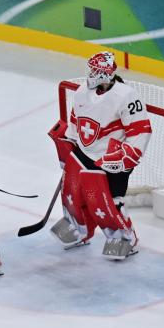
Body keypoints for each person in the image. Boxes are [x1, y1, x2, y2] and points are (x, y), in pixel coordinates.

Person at [48, 51, 152, 259]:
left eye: (96, 70)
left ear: (107, 74)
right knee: (73, 192)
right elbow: (75, 124)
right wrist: (67, 143)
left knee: (110, 201)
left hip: (112, 158)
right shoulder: (81, 92)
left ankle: (125, 238)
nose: (91, 73)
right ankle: (79, 227)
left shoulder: (126, 95)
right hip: (85, 152)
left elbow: (140, 130)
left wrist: (127, 156)